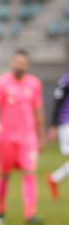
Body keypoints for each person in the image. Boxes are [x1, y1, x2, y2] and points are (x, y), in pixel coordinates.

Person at [0, 49, 46, 225]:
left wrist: (41, 136)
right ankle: (1, 210)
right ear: (12, 63)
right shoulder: (1, 83)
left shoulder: (34, 84)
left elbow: (38, 112)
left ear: (27, 65)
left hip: (28, 137)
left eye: (23, 63)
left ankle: (30, 213)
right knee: (4, 174)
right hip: (6, 138)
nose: (20, 65)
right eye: (17, 62)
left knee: (30, 173)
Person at [46, 71, 69, 199]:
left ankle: (55, 178)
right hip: (67, 124)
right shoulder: (66, 80)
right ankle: (55, 178)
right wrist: (54, 125)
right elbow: (57, 102)